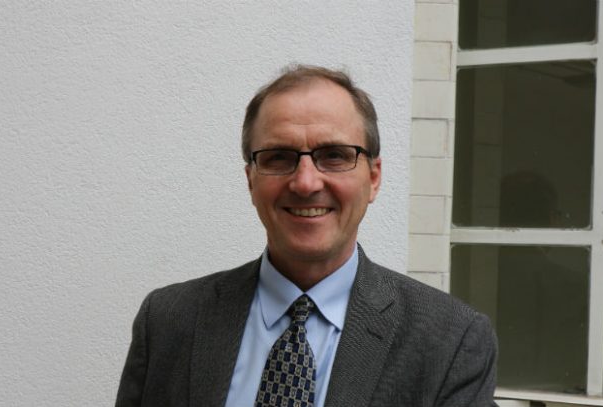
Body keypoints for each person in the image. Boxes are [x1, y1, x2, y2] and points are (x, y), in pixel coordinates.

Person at [115, 65, 498, 407]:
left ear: (374, 178)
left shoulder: (450, 342)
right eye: (278, 157)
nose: (305, 182)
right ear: (251, 179)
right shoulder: (168, 321)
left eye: (334, 155)